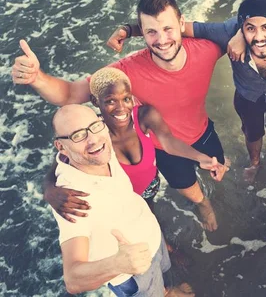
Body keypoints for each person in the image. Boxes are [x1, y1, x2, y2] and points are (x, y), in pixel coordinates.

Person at [12, 0, 228, 231]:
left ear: (181, 23)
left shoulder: (208, 49)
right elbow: (70, 94)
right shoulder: (126, 71)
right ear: (143, 35)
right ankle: (204, 205)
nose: (162, 40)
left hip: (203, 131)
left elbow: (252, 31)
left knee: (218, 165)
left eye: (168, 29)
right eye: (151, 32)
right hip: (164, 148)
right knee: (190, 189)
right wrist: (36, 77)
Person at [107, 0, 266, 183]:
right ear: (241, 27)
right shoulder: (228, 32)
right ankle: (255, 162)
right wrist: (130, 30)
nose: (260, 36)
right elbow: (178, 29)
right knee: (252, 133)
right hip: (249, 97)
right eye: (250, 28)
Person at [45, 67, 229, 217]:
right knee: (142, 221)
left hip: (150, 185)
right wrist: (50, 191)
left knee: (149, 208)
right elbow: (61, 160)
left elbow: (168, 141)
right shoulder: (94, 133)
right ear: (95, 101)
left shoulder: (144, 116)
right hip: (124, 196)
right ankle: (167, 247)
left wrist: (200, 158)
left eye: (126, 99)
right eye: (110, 101)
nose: (121, 108)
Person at [50, 104, 175, 296]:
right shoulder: (72, 199)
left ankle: (167, 291)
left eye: (94, 125)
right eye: (78, 135)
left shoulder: (102, 150)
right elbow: (72, 280)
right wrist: (117, 263)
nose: (93, 139)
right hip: (133, 271)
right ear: (61, 147)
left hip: (150, 235)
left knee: (163, 276)